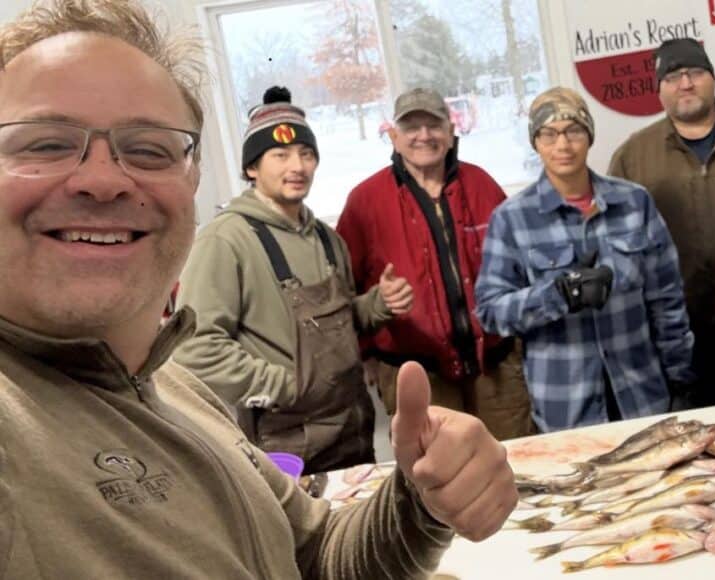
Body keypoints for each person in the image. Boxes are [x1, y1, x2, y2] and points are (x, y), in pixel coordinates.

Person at [0, 2, 516, 578]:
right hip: (295, 430)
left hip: (345, 426)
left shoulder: (171, 385)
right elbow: (211, 341)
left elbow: (314, 553)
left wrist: (419, 504)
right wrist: (283, 384)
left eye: (148, 149)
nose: (102, 179)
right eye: (44, 143)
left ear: (189, 176)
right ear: (250, 168)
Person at [173, 86, 412, 472]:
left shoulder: (325, 238)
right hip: (286, 446)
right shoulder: (226, 241)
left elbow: (339, 323)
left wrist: (378, 304)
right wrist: (286, 385)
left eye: (305, 154)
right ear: (252, 168)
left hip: (353, 433)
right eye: (279, 155)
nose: (296, 166)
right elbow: (194, 349)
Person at [475, 87, 694, 433]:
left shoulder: (634, 202)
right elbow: (491, 312)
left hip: (642, 397)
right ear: (536, 142)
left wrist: (680, 375)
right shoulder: (512, 218)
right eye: (549, 134)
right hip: (566, 407)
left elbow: (666, 299)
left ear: (589, 136)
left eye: (573, 131)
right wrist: (557, 295)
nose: (562, 145)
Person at [337, 88, 533, 441]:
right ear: (394, 137)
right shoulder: (364, 201)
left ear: (451, 131)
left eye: (434, 124)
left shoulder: (483, 185)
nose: (424, 135)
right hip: (415, 375)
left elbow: (518, 264)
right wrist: (365, 354)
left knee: (514, 462)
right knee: (436, 479)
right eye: (412, 126)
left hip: (496, 368)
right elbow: (343, 291)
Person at [608, 38, 715, 408]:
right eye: (672, 76)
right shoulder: (633, 157)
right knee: (704, 443)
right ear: (659, 91)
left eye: (695, 72)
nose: (685, 83)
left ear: (713, 79)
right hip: (686, 332)